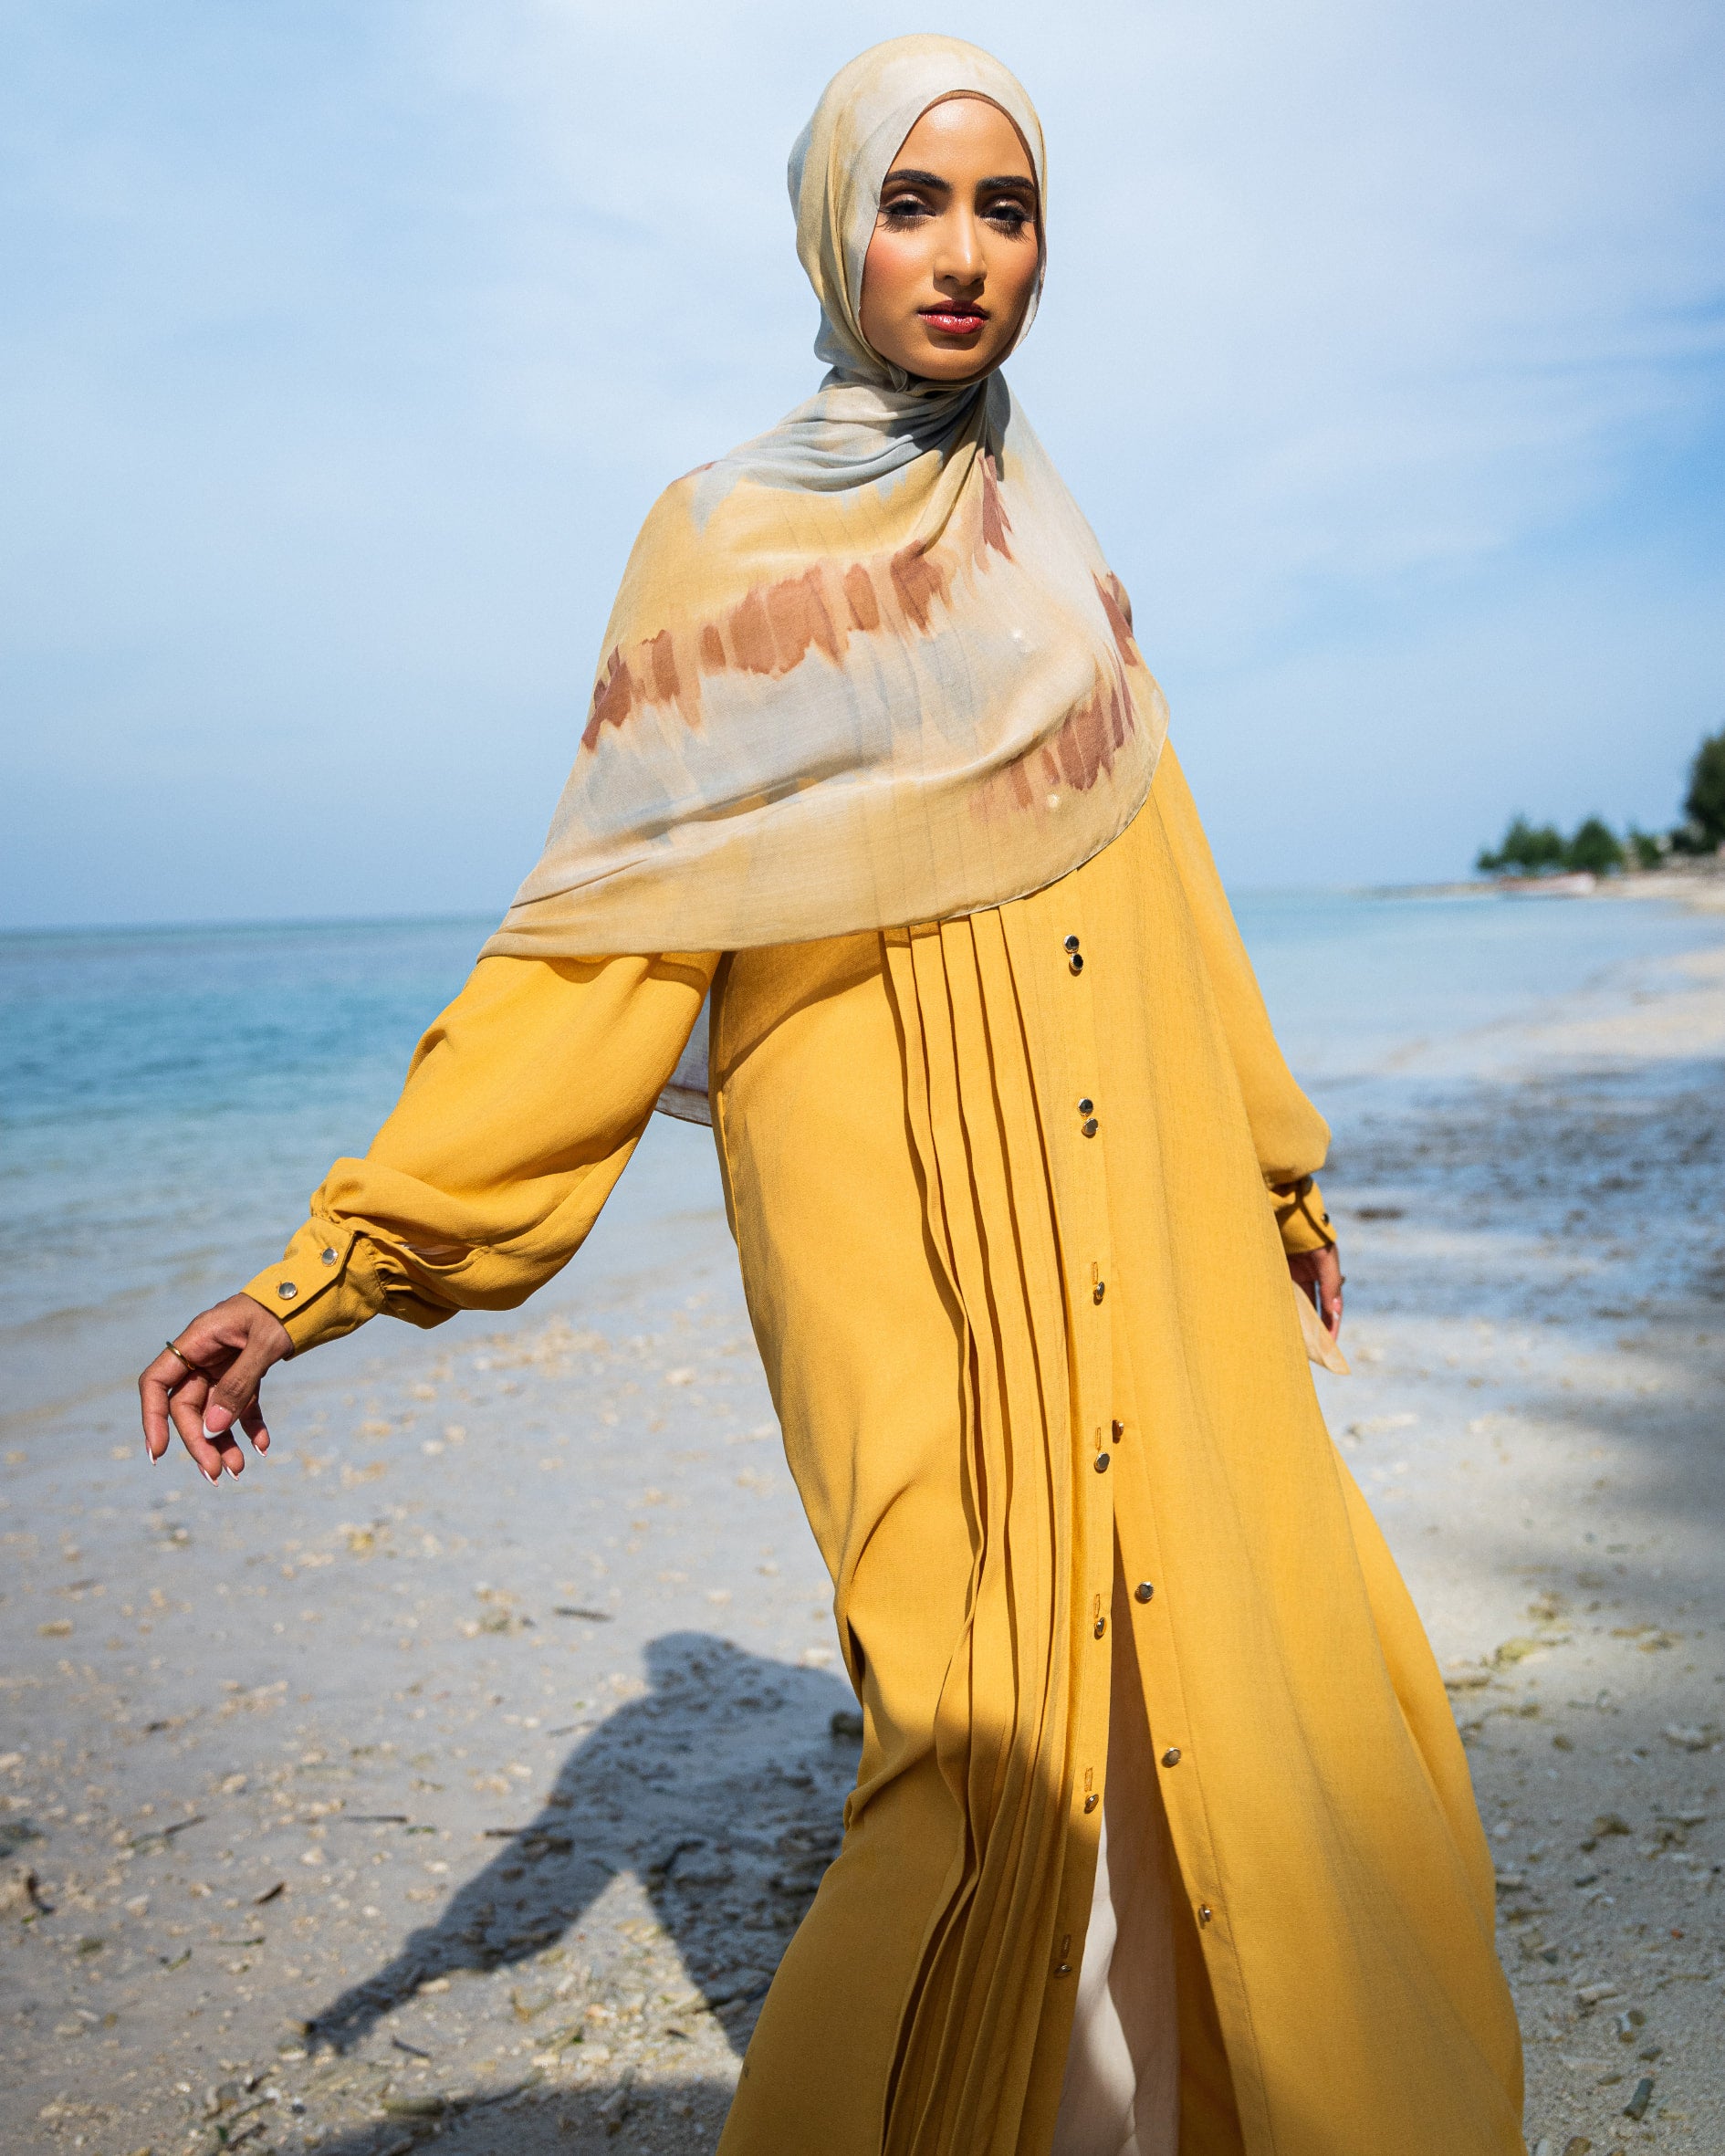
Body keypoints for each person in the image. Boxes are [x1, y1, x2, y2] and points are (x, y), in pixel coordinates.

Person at [138, 36, 1524, 2156]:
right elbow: (592, 953)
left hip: (1144, 1201)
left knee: (1264, 1692)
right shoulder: (717, 552)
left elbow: (1167, 871)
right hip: (892, 1240)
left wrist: (1276, 1176)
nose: (963, 254)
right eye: (913, 202)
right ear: (833, 232)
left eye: (1006, 208)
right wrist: (329, 1272)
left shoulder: (1052, 546)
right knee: (971, 1740)